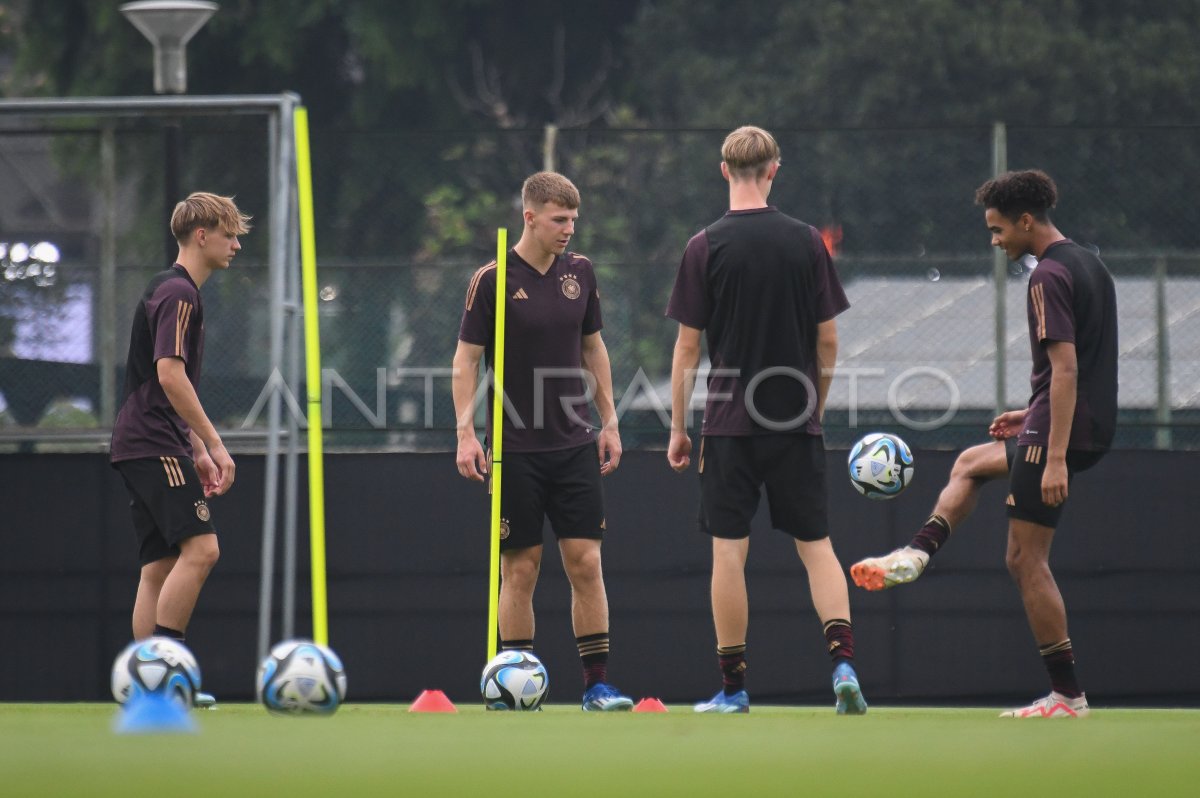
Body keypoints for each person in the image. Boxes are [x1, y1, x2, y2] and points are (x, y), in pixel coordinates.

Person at [851, 169, 1118, 719]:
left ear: (1026, 221)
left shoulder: (1046, 275)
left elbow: (1066, 369)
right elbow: (1082, 367)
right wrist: (1032, 411)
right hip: (1073, 422)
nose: (994, 241)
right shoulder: (1090, 263)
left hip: (1062, 435)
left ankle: (1067, 697)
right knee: (969, 462)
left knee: (1024, 559)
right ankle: (917, 553)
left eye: (998, 230)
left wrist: (1056, 453)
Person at [666, 126, 866, 714]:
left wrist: (679, 428)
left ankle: (733, 690)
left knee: (729, 554)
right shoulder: (808, 242)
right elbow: (827, 342)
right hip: (795, 421)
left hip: (729, 424)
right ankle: (844, 664)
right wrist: (815, 406)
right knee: (817, 546)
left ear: (723, 171)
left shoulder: (703, 245)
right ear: (774, 169)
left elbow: (685, 349)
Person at [452, 171, 633, 711]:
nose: (568, 230)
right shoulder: (492, 278)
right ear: (529, 217)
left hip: (574, 443)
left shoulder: (581, 272)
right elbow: (465, 360)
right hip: (514, 452)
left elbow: (593, 349)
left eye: (573, 221)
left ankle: (597, 685)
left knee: (585, 563)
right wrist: (465, 432)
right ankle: (515, 680)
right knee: (521, 568)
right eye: (559, 220)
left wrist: (611, 421)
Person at [110, 192, 249, 708]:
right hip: (150, 440)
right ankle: (166, 679)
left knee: (158, 567)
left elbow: (159, 382)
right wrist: (215, 443)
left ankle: (142, 689)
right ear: (201, 235)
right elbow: (169, 375)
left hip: (142, 440)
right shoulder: (179, 293)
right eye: (229, 234)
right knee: (202, 549)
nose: (236, 244)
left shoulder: (169, 289)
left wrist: (197, 450)